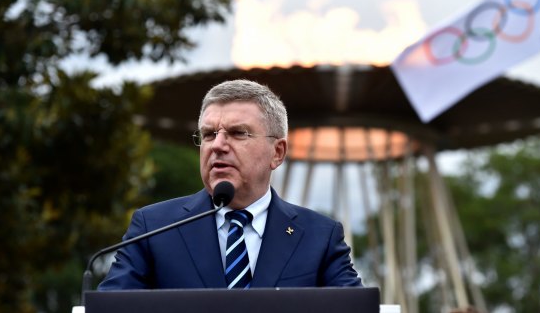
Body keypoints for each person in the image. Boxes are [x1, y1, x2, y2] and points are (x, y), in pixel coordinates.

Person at [99, 79, 362, 289]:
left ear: (277, 152)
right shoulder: (154, 228)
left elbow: (356, 309)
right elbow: (110, 307)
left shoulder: (319, 236)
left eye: (238, 133)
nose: (218, 146)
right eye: (209, 134)